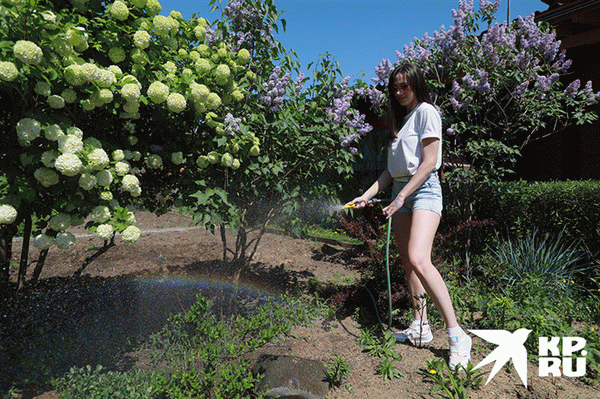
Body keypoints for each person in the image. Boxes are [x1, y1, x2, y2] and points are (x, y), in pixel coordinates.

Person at [346, 63, 471, 369]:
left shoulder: (427, 111)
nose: (400, 92)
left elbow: (429, 162)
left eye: (405, 86)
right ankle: (421, 326)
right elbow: (391, 170)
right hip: (401, 188)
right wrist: (367, 195)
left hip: (424, 189)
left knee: (419, 257)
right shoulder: (401, 121)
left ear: (416, 85)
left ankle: (457, 335)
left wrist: (402, 196)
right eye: (395, 87)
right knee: (407, 261)